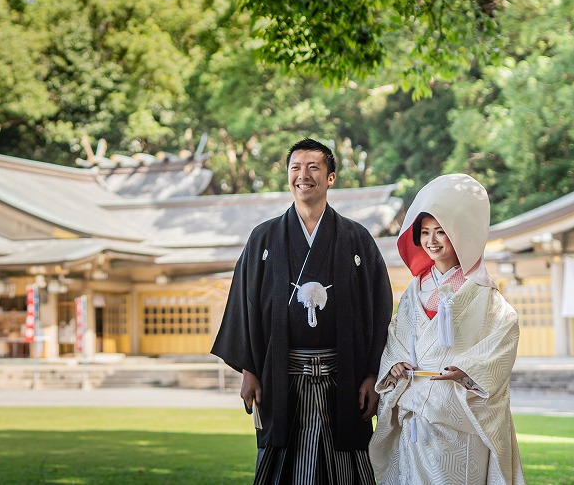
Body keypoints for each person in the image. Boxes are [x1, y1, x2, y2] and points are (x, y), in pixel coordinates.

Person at [212, 138, 392, 485]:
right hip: (281, 375)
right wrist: (249, 369)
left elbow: (379, 309)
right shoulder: (264, 239)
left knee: (348, 467)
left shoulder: (356, 239)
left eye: (313, 167)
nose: (303, 175)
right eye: (296, 167)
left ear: (331, 178)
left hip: (346, 376)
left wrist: (372, 374)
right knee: (282, 464)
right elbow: (244, 304)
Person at [370, 174, 524, 484]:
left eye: (441, 232)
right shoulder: (416, 290)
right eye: (425, 232)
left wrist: (467, 370)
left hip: (456, 405)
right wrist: (395, 363)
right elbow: (398, 335)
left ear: (460, 235)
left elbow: (503, 335)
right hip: (414, 406)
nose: (432, 241)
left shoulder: (481, 291)